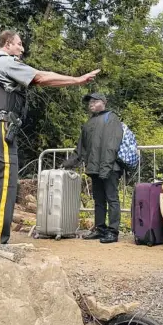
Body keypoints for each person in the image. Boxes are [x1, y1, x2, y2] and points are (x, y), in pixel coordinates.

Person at [0, 30, 100, 244]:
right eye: (19, 44)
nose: (22, 49)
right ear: (7, 44)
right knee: (3, 183)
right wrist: (77, 80)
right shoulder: (4, 62)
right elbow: (40, 77)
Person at [62, 93, 123, 244]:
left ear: (103, 102)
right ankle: (100, 228)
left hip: (110, 168)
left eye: (95, 101)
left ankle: (113, 232)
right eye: (90, 102)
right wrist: (67, 164)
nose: (91, 104)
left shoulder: (112, 118)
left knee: (112, 199)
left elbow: (112, 145)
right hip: (95, 168)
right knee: (99, 200)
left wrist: (106, 168)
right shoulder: (88, 123)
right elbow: (81, 149)